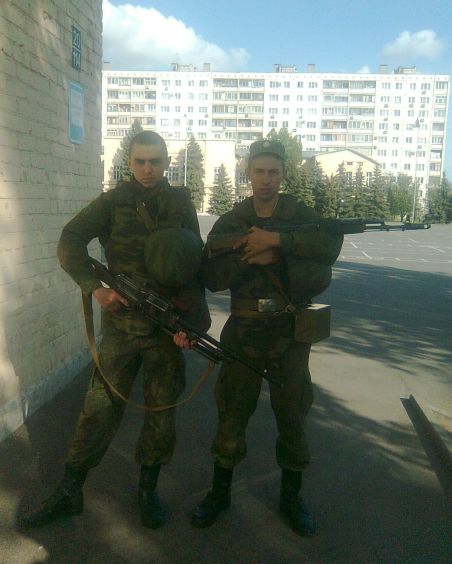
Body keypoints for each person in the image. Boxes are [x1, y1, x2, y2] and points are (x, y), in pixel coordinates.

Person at [21, 131, 209, 530]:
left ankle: (148, 490)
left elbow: (194, 263)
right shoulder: (112, 202)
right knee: (98, 411)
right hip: (122, 330)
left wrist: (193, 326)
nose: (147, 169)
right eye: (140, 161)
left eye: (155, 161)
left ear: (166, 162)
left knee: (160, 414)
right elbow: (70, 240)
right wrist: (96, 289)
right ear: (129, 162)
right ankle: (70, 491)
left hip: (165, 331)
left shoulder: (180, 202)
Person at [190, 139, 343, 536]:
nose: (266, 179)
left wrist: (278, 244)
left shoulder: (299, 214)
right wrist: (247, 257)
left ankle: (291, 499)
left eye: (273, 172)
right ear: (248, 174)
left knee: (292, 413)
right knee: (232, 411)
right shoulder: (232, 220)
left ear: (283, 175)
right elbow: (210, 275)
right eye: (259, 171)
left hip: (288, 331)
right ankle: (220, 493)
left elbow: (329, 244)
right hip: (243, 330)